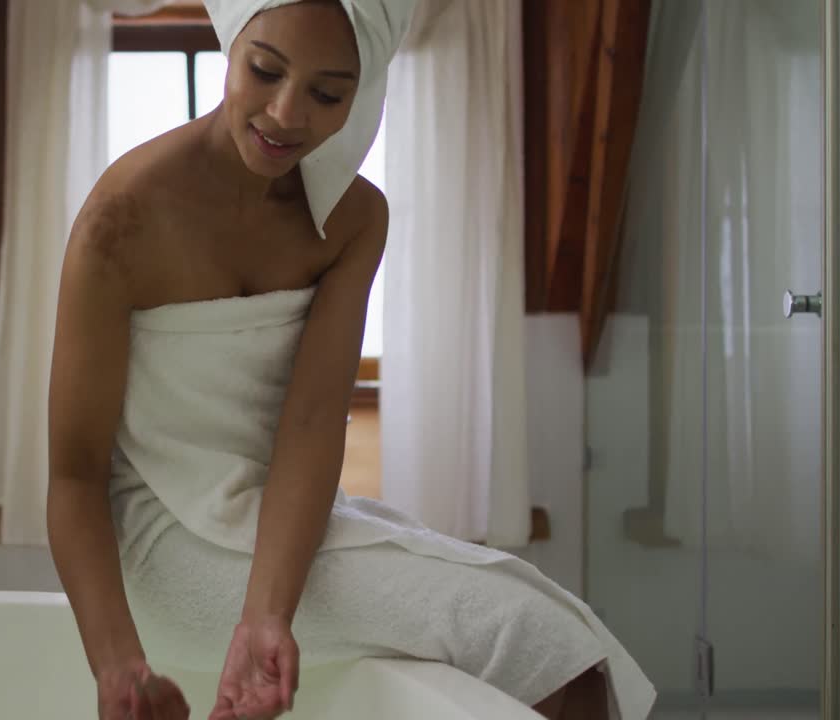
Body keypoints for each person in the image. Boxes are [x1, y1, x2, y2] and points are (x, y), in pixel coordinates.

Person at [46, 2, 655, 719]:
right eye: (265, 70)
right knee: (540, 639)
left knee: (556, 639)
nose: (284, 113)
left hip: (276, 526)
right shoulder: (123, 216)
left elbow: (309, 423)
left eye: (327, 93)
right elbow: (75, 475)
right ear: (229, 47)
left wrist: (266, 618)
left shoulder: (355, 220)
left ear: (361, 92)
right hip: (161, 540)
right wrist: (118, 665)